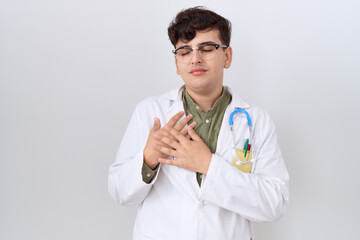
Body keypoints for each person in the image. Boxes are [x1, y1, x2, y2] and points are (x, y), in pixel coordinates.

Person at [108, 6, 289, 240]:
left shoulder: (257, 121)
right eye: (184, 51)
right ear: (176, 62)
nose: (195, 58)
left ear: (228, 56)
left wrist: (208, 165)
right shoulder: (150, 113)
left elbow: (275, 203)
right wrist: (148, 159)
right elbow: (120, 192)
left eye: (207, 48)